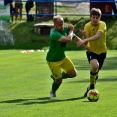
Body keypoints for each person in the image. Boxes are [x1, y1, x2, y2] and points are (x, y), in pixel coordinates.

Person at [46, 15, 89, 98]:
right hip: (53, 60)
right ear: (54, 25)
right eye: (59, 25)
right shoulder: (54, 34)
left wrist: (85, 46)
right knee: (59, 81)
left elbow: (75, 38)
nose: (61, 26)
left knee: (73, 74)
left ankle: (55, 77)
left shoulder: (66, 29)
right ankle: (53, 91)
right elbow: (68, 39)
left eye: (62, 24)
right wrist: (72, 30)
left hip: (63, 57)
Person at [78, 8, 107, 97]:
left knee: (96, 74)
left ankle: (89, 87)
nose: (95, 19)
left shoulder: (102, 24)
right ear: (90, 17)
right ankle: (92, 86)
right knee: (95, 66)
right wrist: (84, 37)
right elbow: (85, 43)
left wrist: (85, 39)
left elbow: (98, 36)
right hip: (91, 51)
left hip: (102, 52)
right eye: (93, 17)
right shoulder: (87, 26)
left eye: (97, 18)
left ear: (100, 18)